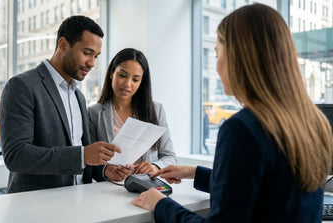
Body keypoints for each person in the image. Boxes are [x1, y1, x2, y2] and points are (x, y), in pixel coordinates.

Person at [131, 4, 333, 222]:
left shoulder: (243, 128)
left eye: (217, 54)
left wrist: (160, 204)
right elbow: (267, 190)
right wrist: (195, 173)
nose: (217, 67)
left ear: (238, 57)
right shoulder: (314, 122)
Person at [0, 15, 121, 193]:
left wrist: (106, 170)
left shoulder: (78, 96)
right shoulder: (22, 86)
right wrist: (82, 155)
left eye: (96, 56)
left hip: (79, 200)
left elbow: (83, 158)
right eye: (87, 53)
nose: (92, 63)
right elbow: (16, 156)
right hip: (36, 206)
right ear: (63, 45)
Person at [88, 48, 176, 182]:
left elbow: (170, 157)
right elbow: (90, 164)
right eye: (122, 75)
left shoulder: (156, 110)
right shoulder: (94, 113)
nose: (127, 84)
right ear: (112, 73)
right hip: (109, 191)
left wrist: (154, 167)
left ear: (141, 82)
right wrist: (106, 171)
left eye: (135, 79)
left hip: (146, 189)